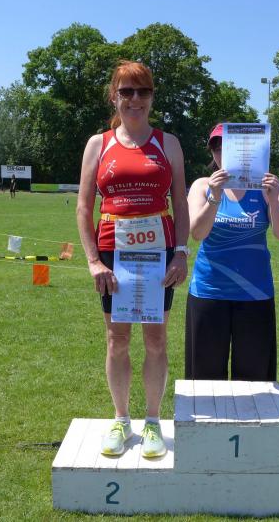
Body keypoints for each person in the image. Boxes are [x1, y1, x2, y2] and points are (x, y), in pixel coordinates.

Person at [76, 61, 189, 459]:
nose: (135, 99)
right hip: (113, 253)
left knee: (156, 339)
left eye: (143, 91)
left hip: (159, 253)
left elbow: (180, 203)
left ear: (152, 97)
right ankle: (121, 419)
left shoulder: (168, 143)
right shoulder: (99, 144)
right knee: (117, 338)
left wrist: (181, 253)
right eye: (126, 91)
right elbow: (84, 207)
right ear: (114, 96)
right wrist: (93, 261)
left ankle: (153, 421)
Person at [185, 123, 279, 381]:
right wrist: (215, 195)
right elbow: (197, 233)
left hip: (255, 293)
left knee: (254, 380)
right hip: (209, 291)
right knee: (205, 379)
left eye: (228, 146)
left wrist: (274, 198)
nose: (222, 153)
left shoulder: (264, 186)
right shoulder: (202, 185)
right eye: (216, 148)